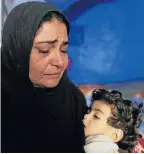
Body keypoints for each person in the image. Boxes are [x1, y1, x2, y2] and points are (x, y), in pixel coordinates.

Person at [1, 2, 87, 153]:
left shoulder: (72, 99)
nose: (60, 62)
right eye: (44, 50)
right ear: (17, 50)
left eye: (64, 49)